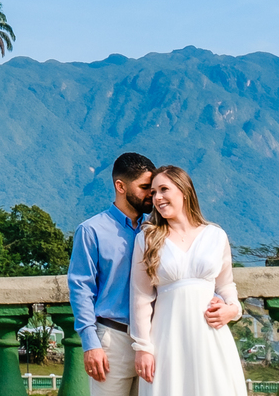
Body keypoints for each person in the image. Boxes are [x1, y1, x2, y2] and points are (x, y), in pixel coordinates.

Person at [130, 165, 246, 396]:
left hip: (210, 335)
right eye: (153, 193)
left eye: (164, 189)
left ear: (184, 191)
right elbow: (140, 296)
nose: (158, 198)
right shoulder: (147, 238)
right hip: (167, 337)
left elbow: (225, 285)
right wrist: (143, 347)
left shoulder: (215, 235)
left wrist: (233, 309)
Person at [67, 153, 156, 396]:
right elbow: (81, 289)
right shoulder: (91, 231)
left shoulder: (156, 231)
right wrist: (90, 344)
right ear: (120, 186)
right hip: (112, 340)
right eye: (145, 187)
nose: (152, 194)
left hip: (154, 341)